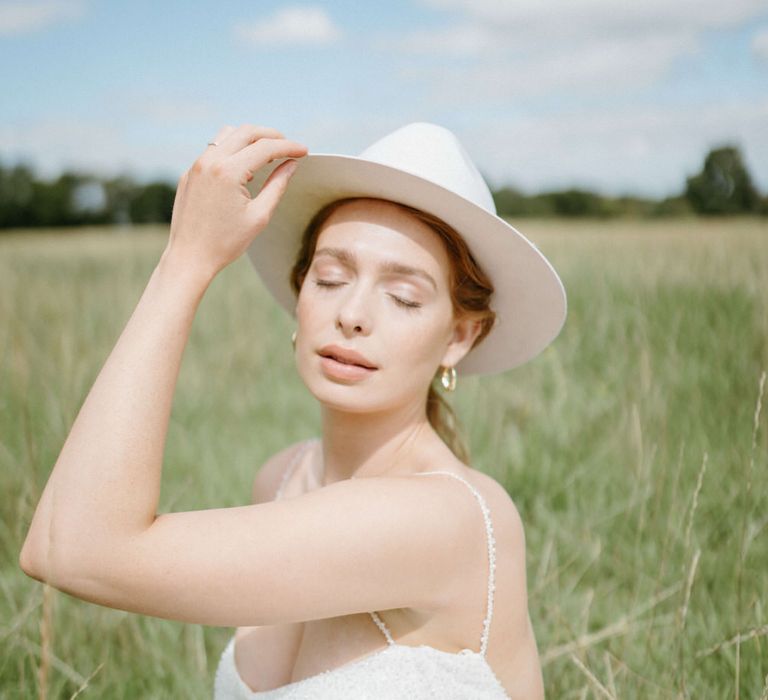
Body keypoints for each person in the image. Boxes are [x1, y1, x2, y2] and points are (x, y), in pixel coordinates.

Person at [19, 121, 567, 699]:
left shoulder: (443, 517)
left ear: (459, 337)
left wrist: (185, 263)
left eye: (403, 296)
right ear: (299, 291)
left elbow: (72, 548)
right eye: (330, 278)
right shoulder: (282, 478)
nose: (353, 313)